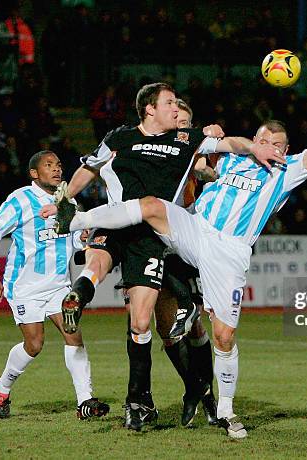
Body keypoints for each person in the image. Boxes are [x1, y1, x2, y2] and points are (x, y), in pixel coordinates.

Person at [52, 90, 307, 438]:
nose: (270, 146)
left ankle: (225, 408)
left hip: (230, 252)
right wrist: (200, 132)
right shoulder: (234, 159)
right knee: (149, 205)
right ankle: (75, 221)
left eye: (277, 143)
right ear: (256, 141)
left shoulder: (288, 169)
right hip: (196, 229)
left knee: (224, 336)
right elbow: (196, 156)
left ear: (284, 149)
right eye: (264, 139)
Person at [43, 82, 282, 432]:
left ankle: (145, 394)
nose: (176, 108)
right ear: (149, 109)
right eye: (170, 103)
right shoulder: (119, 137)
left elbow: (230, 143)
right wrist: (64, 197)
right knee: (141, 311)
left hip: (152, 234)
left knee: (142, 321)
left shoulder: (185, 140)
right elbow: (88, 168)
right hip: (119, 221)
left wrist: (255, 148)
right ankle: (144, 397)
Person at [0, 150, 109, 420]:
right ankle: (2, 386)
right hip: (25, 287)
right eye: (49, 165)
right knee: (34, 345)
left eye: (59, 165)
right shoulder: (20, 199)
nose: (57, 169)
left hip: (59, 284)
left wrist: (80, 237)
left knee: (74, 335)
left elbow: (72, 242)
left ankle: (85, 401)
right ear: (34, 174)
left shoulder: (68, 200)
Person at [113, 98, 219, 426]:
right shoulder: (153, 147)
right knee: (164, 327)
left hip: (183, 240)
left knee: (195, 324)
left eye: (186, 125)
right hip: (153, 239)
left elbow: (206, 169)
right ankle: (194, 391)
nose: (180, 128)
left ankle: (208, 397)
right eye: (177, 123)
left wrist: (215, 167)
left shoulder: (190, 151)